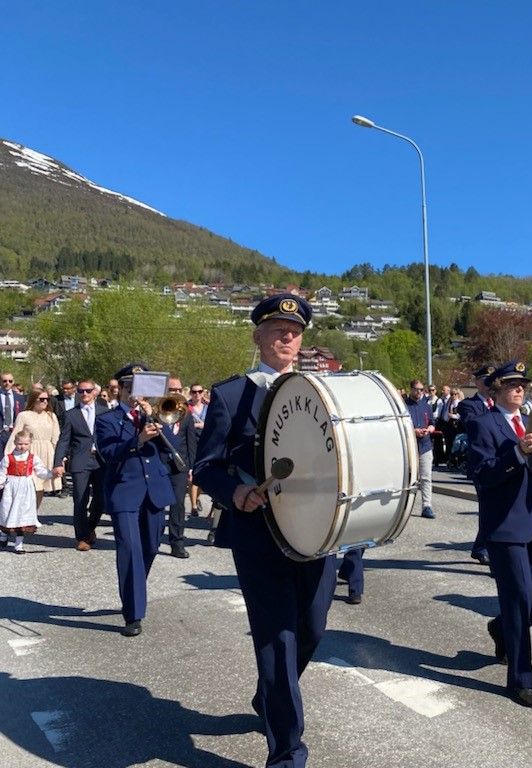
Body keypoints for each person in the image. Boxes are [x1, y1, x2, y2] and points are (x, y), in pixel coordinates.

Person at [193, 293, 336, 768]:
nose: (287, 337)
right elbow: (207, 466)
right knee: (277, 639)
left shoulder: (321, 392)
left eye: (294, 331)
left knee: (311, 629)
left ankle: (272, 693)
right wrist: (234, 493)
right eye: (276, 329)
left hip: (317, 533)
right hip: (260, 535)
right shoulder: (232, 394)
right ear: (258, 336)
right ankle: (287, 752)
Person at [467, 361, 532, 708]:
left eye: (523, 384)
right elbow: (481, 475)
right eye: (512, 384)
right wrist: (516, 452)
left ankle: (502, 628)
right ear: (496, 389)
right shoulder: (483, 425)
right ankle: (520, 679)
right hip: (505, 524)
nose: (519, 389)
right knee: (519, 597)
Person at [96, 364, 176, 637]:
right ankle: (133, 613)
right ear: (121, 390)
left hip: (154, 489)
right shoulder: (107, 419)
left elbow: (174, 449)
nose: (134, 394)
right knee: (130, 549)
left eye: (140, 389)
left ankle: (134, 590)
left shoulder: (155, 416)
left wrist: (158, 421)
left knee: (151, 547)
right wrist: (138, 439)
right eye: (130, 388)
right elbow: (108, 453)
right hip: (124, 490)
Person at [53, 379, 108, 550]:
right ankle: (82, 537)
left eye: (88, 390)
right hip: (80, 460)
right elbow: (63, 441)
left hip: (101, 461)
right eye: (81, 391)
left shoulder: (105, 412)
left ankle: (90, 527)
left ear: (95, 392)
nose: (84, 394)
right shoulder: (71, 414)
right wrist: (58, 462)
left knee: (101, 500)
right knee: (80, 499)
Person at [459, 365, 496, 564]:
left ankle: (482, 546)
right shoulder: (468, 405)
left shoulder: (497, 403)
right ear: (477, 383)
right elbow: (474, 427)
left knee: (494, 506)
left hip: (500, 463)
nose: (490, 384)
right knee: (488, 506)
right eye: (485, 379)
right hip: (481, 464)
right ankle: (483, 547)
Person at [5, 389, 62, 511]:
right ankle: (21, 514)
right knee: (29, 486)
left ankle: (33, 515)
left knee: (40, 487)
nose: (45, 401)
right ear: (33, 399)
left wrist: (59, 458)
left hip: (47, 453)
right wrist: (8, 455)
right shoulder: (24, 415)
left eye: (47, 399)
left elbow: (56, 438)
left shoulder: (51, 416)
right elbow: (15, 435)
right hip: (29, 453)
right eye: (41, 399)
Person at [0, 428, 55, 553]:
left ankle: (18, 544)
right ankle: (3, 534)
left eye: (26, 444)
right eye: (20, 444)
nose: (22, 446)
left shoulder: (33, 458)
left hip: (26, 488)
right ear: (15, 443)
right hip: (11, 487)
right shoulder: (8, 458)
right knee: (7, 511)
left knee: (22, 514)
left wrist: (52, 474)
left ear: (30, 444)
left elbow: (41, 471)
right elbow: (2, 472)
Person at [161, 376, 198, 558]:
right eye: (171, 389)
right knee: (157, 503)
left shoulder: (187, 414)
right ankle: (153, 537)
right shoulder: (156, 411)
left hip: (180, 465)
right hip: (160, 464)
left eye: (178, 390)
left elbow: (191, 442)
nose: (175, 393)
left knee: (178, 504)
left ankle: (177, 542)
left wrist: (191, 467)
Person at [405, 379, 436, 519]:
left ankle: (427, 506)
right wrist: (413, 431)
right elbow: (400, 426)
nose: (419, 392)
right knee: (408, 477)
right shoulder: (404, 406)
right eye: (417, 389)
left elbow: (432, 423)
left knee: (426, 477)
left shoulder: (426, 406)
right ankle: (404, 506)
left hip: (425, 445)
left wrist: (429, 428)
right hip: (409, 447)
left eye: (422, 389)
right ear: (411, 389)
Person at [187, 382, 208, 517]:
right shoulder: (186, 407)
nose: (197, 394)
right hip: (192, 442)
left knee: (203, 476)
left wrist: (204, 425)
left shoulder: (209, 407)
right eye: (194, 392)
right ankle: (194, 506)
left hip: (206, 443)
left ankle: (197, 498)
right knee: (193, 476)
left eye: (199, 391)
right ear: (190, 393)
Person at [0, 372, 27, 453]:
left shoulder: (20, 398)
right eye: (4, 381)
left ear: (13, 382)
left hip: (14, 433)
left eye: (10, 381)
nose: (7, 383)